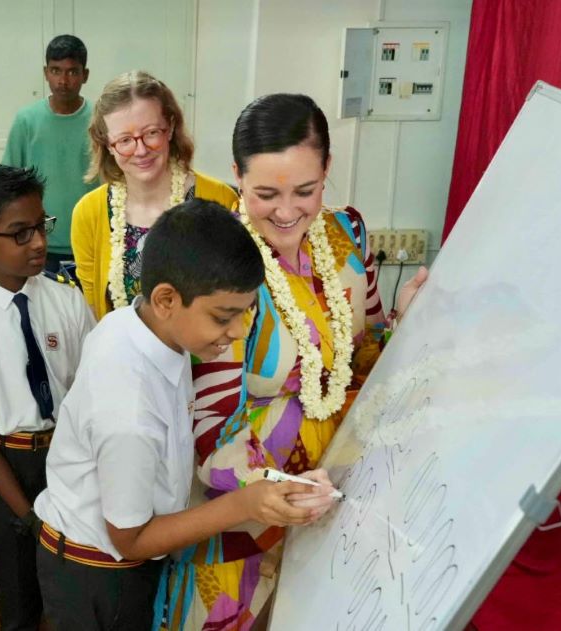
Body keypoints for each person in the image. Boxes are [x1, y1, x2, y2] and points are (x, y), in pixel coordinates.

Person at [158, 94, 428, 631]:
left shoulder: (345, 235)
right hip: (248, 518)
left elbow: (365, 352)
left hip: (345, 501)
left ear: (328, 168)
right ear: (235, 175)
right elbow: (207, 434)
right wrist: (278, 490)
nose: (286, 212)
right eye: (264, 193)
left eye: (305, 190)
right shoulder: (220, 262)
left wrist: (404, 322)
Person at [34, 199, 336, 631]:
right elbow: (130, 539)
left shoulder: (143, 325)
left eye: (246, 312)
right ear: (166, 299)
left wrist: (271, 484)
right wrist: (246, 504)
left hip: (113, 559)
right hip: (99, 572)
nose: (237, 332)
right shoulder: (129, 409)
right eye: (223, 317)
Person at [0, 164, 95, 630]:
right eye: (20, 233)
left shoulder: (66, 300)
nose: (39, 243)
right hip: (8, 469)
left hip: (68, 459)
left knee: (73, 591)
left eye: (41, 226)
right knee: (19, 596)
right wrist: (26, 513)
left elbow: (90, 393)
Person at [71, 70, 239, 320]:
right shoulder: (88, 213)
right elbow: (94, 309)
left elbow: (236, 299)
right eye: (125, 140)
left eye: (151, 133)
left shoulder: (221, 200)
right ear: (107, 144)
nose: (140, 151)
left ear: (170, 127)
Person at [2, 34, 95, 272]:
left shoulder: (100, 121)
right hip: (39, 243)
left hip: (92, 241)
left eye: (72, 72)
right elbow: (7, 182)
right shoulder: (27, 121)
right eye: (56, 71)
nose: (63, 80)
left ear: (85, 75)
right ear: (46, 73)